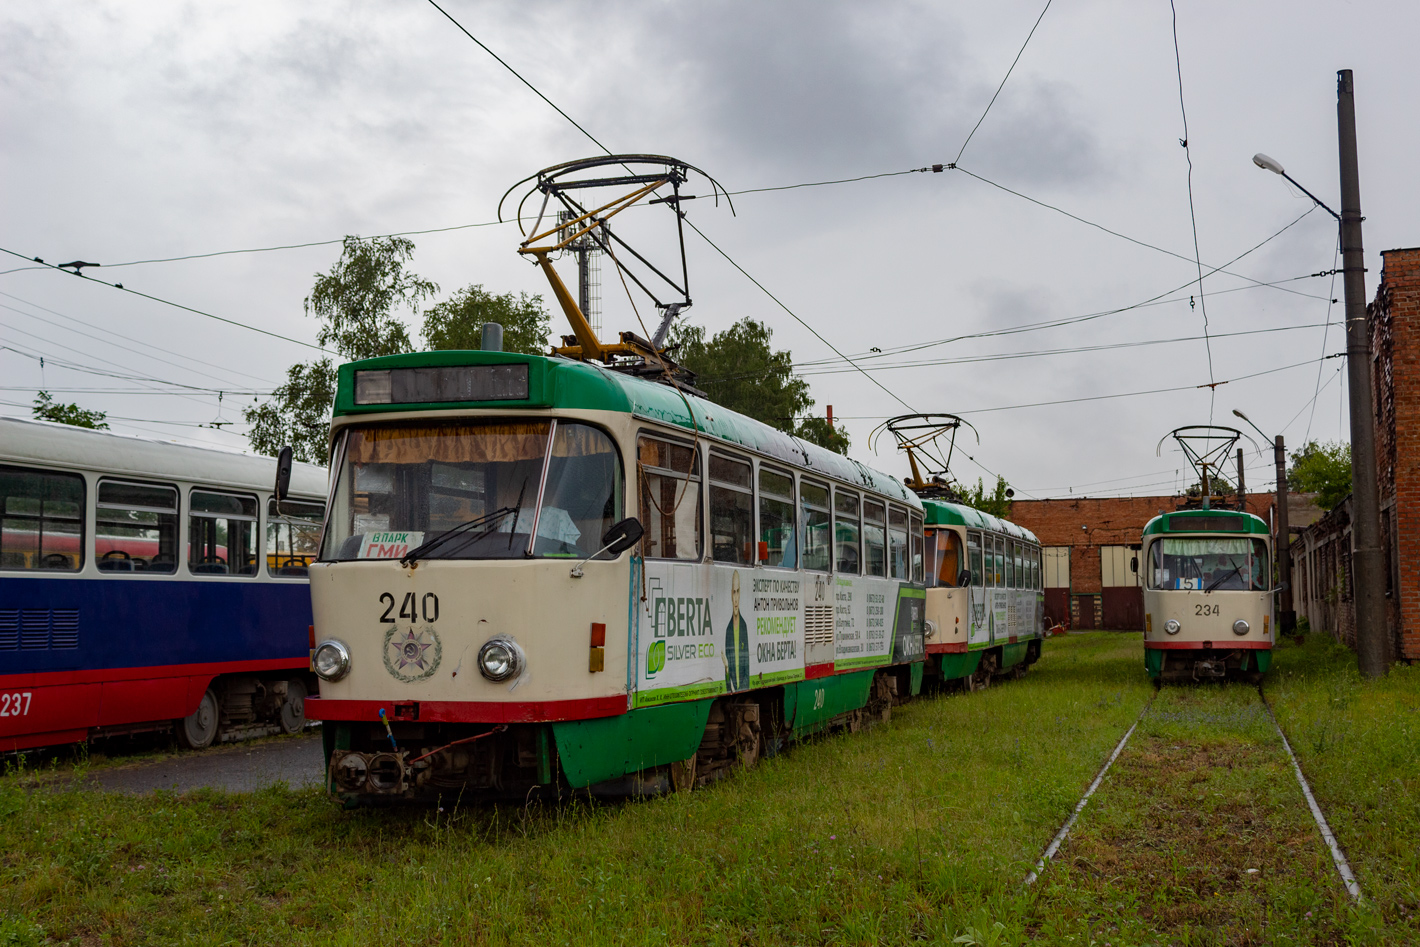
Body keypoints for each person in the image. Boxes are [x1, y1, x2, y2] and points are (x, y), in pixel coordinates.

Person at [724, 570, 750, 691]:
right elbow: (727, 682)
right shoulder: (728, 630)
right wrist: (727, 669)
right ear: (731, 595)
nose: (735, 599)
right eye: (734, 592)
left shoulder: (744, 626)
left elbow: (747, 668)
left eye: (738, 592)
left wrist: (742, 690)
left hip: (743, 690)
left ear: (740, 594)